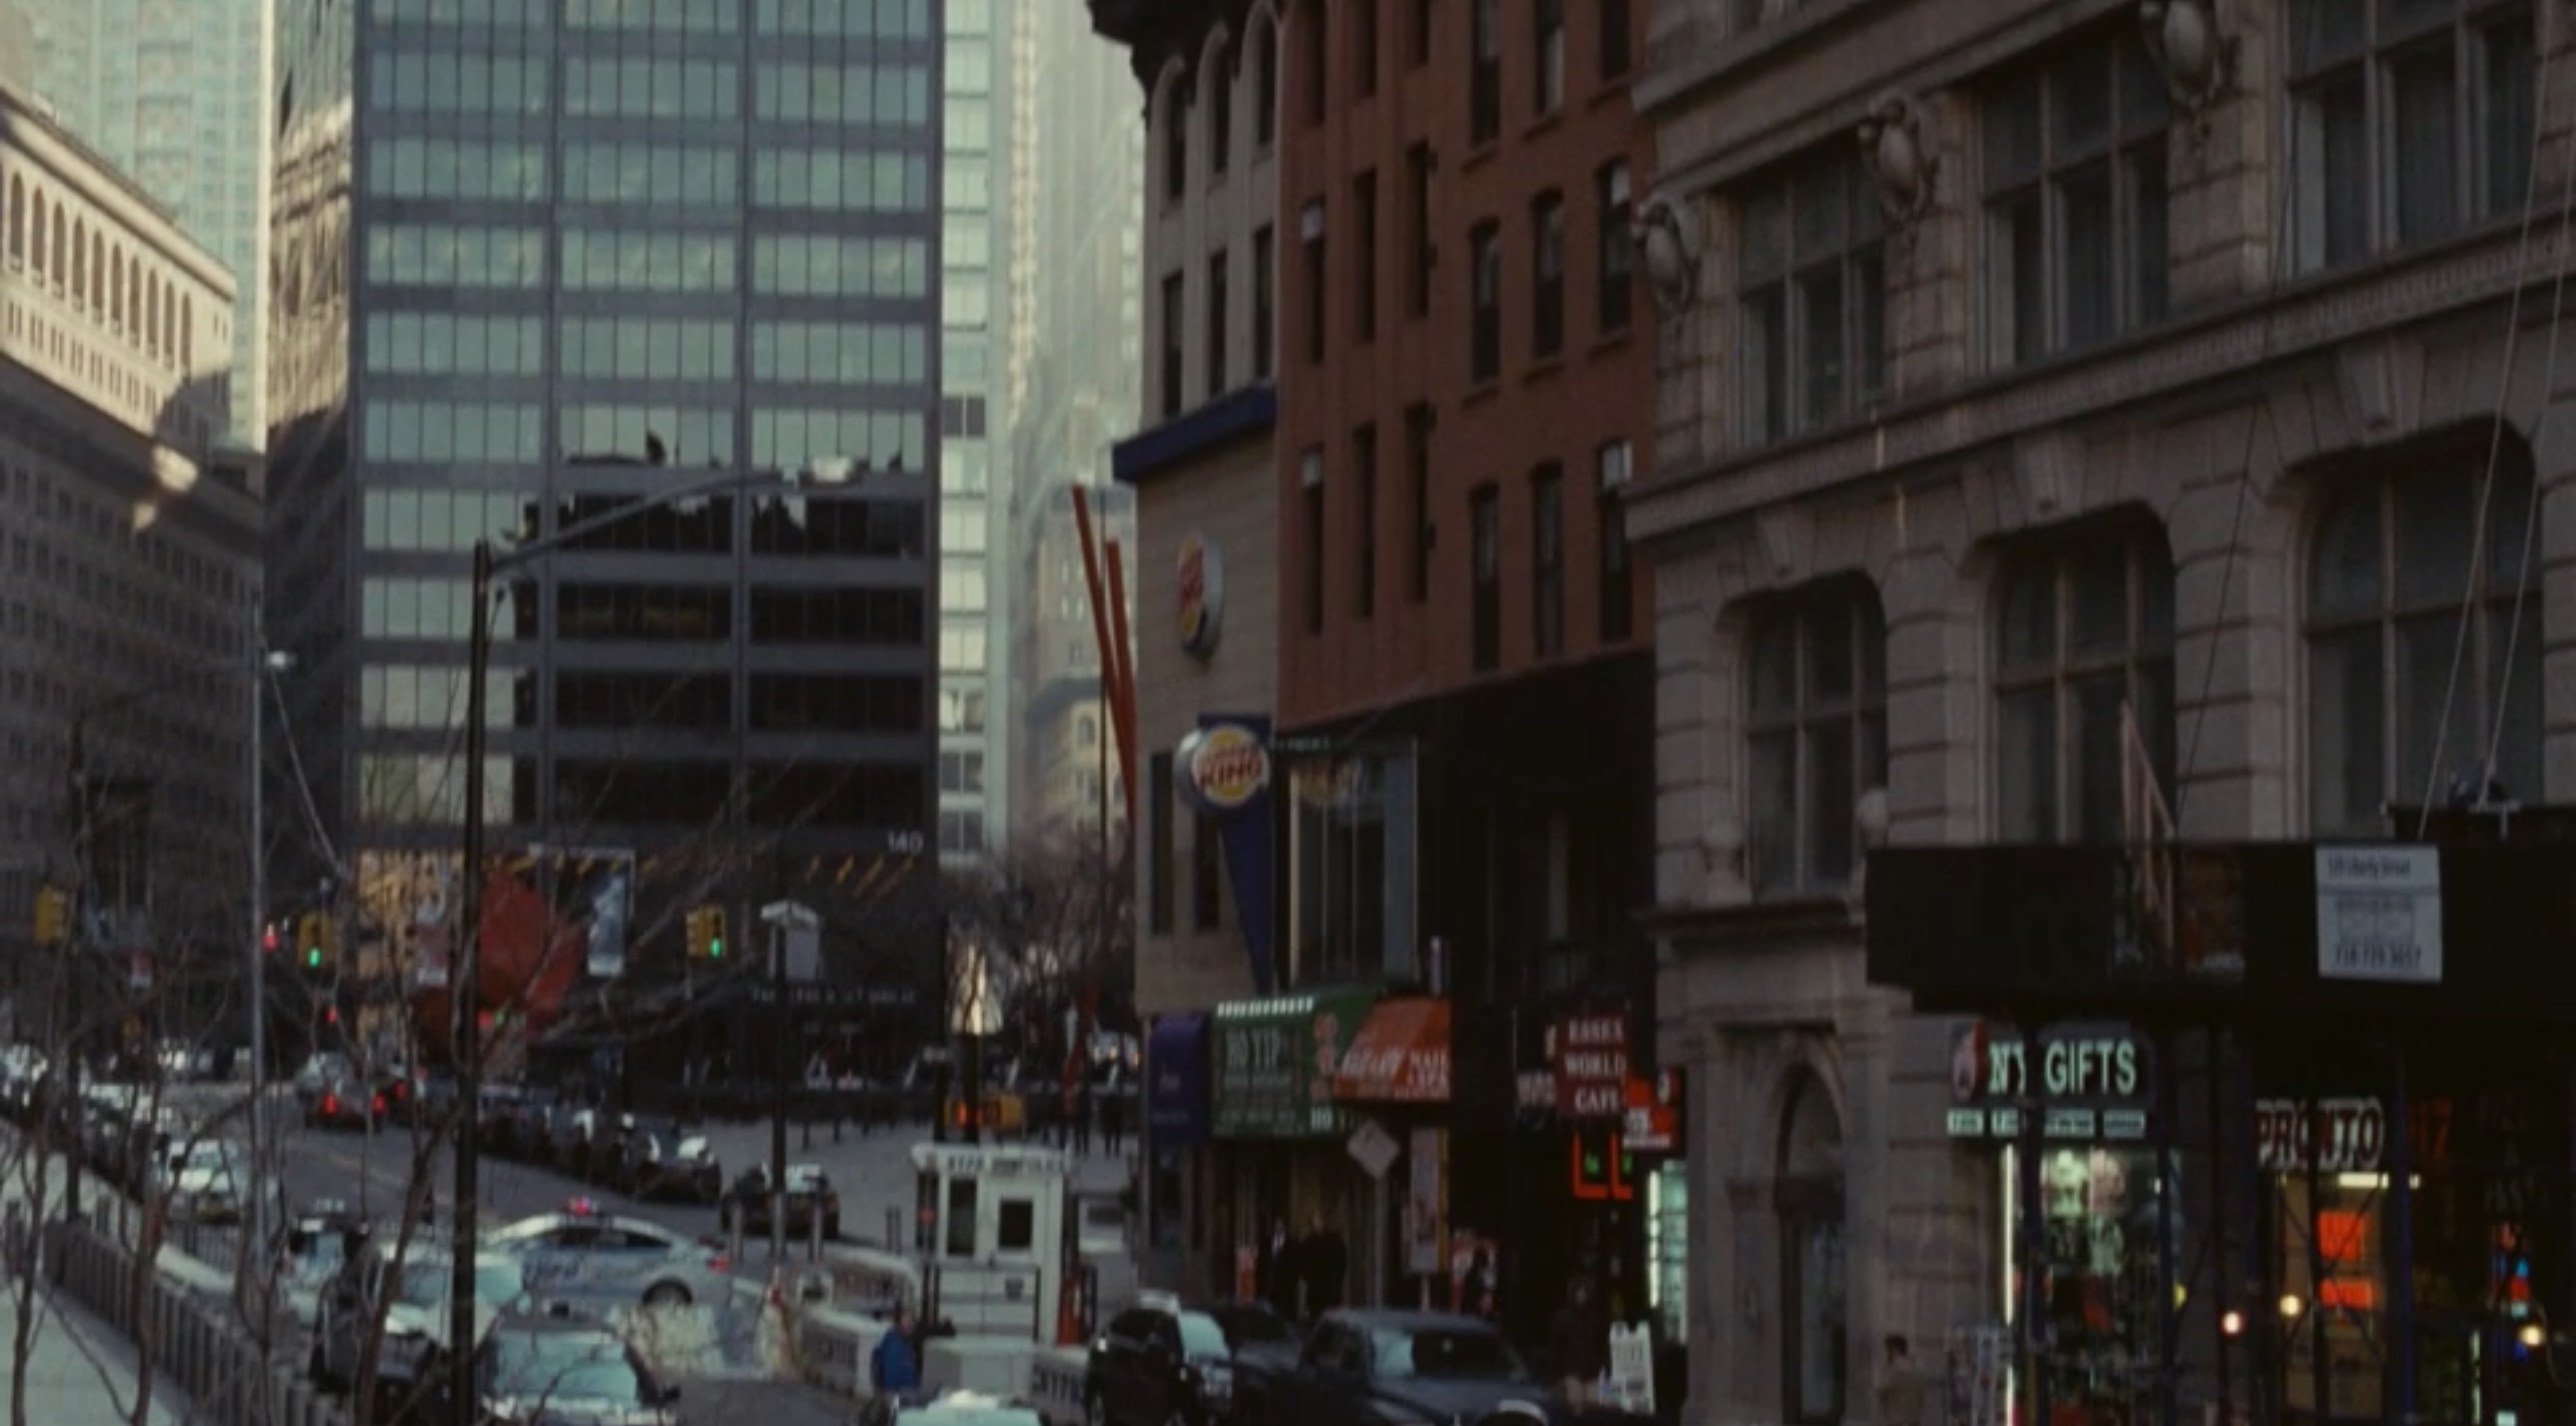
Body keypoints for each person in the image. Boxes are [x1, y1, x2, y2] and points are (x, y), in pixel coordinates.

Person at [1547, 1277, 1607, 1408]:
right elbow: (1556, 1348)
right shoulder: (1563, 1319)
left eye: (1585, 1292)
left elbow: (1602, 1346)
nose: (1582, 1295)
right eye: (1579, 1291)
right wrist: (1557, 1374)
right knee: (1576, 1404)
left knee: (1594, 1406)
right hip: (1571, 1372)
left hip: (1592, 1373)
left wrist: (1601, 1367)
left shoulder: (1595, 1319)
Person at [1301, 1215, 1348, 1317]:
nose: (1317, 1225)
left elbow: (1342, 1263)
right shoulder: (1309, 1241)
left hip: (1331, 1289)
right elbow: (1303, 1263)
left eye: (1318, 1221)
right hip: (1316, 1291)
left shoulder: (1335, 1241)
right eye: (1314, 1222)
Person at [870, 1305, 921, 1398]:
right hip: (894, 1393)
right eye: (907, 1321)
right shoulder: (893, 1342)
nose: (910, 1324)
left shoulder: (909, 1344)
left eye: (912, 1321)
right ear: (899, 1322)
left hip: (905, 1393)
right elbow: (885, 1369)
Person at [1877, 1335, 1928, 1426]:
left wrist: (1884, 1369)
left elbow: (1881, 1391)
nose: (1885, 1353)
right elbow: (1922, 1396)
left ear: (1893, 1350)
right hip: (1914, 1420)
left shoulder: (1893, 1370)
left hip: (1896, 1420)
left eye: (1887, 1350)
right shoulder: (1918, 1368)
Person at [1256, 1217, 1299, 1318]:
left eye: (1281, 1224)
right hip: (1269, 1289)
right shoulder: (1267, 1242)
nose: (1278, 1226)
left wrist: (1291, 1285)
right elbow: (1261, 1264)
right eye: (1276, 1223)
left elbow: (1295, 1267)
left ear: (1285, 1226)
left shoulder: (1292, 1244)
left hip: (1286, 1291)